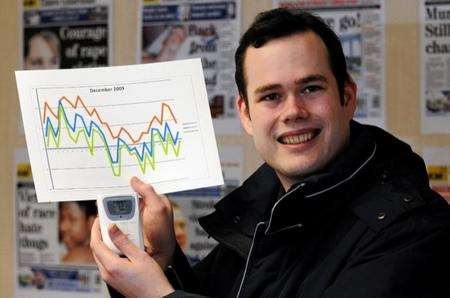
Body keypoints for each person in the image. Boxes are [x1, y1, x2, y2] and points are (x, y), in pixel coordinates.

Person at [90, 8, 450, 298]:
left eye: (310, 88)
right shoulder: (263, 211)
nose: (293, 111)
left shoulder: (414, 229)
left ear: (347, 97)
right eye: (271, 96)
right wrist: (162, 261)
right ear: (246, 114)